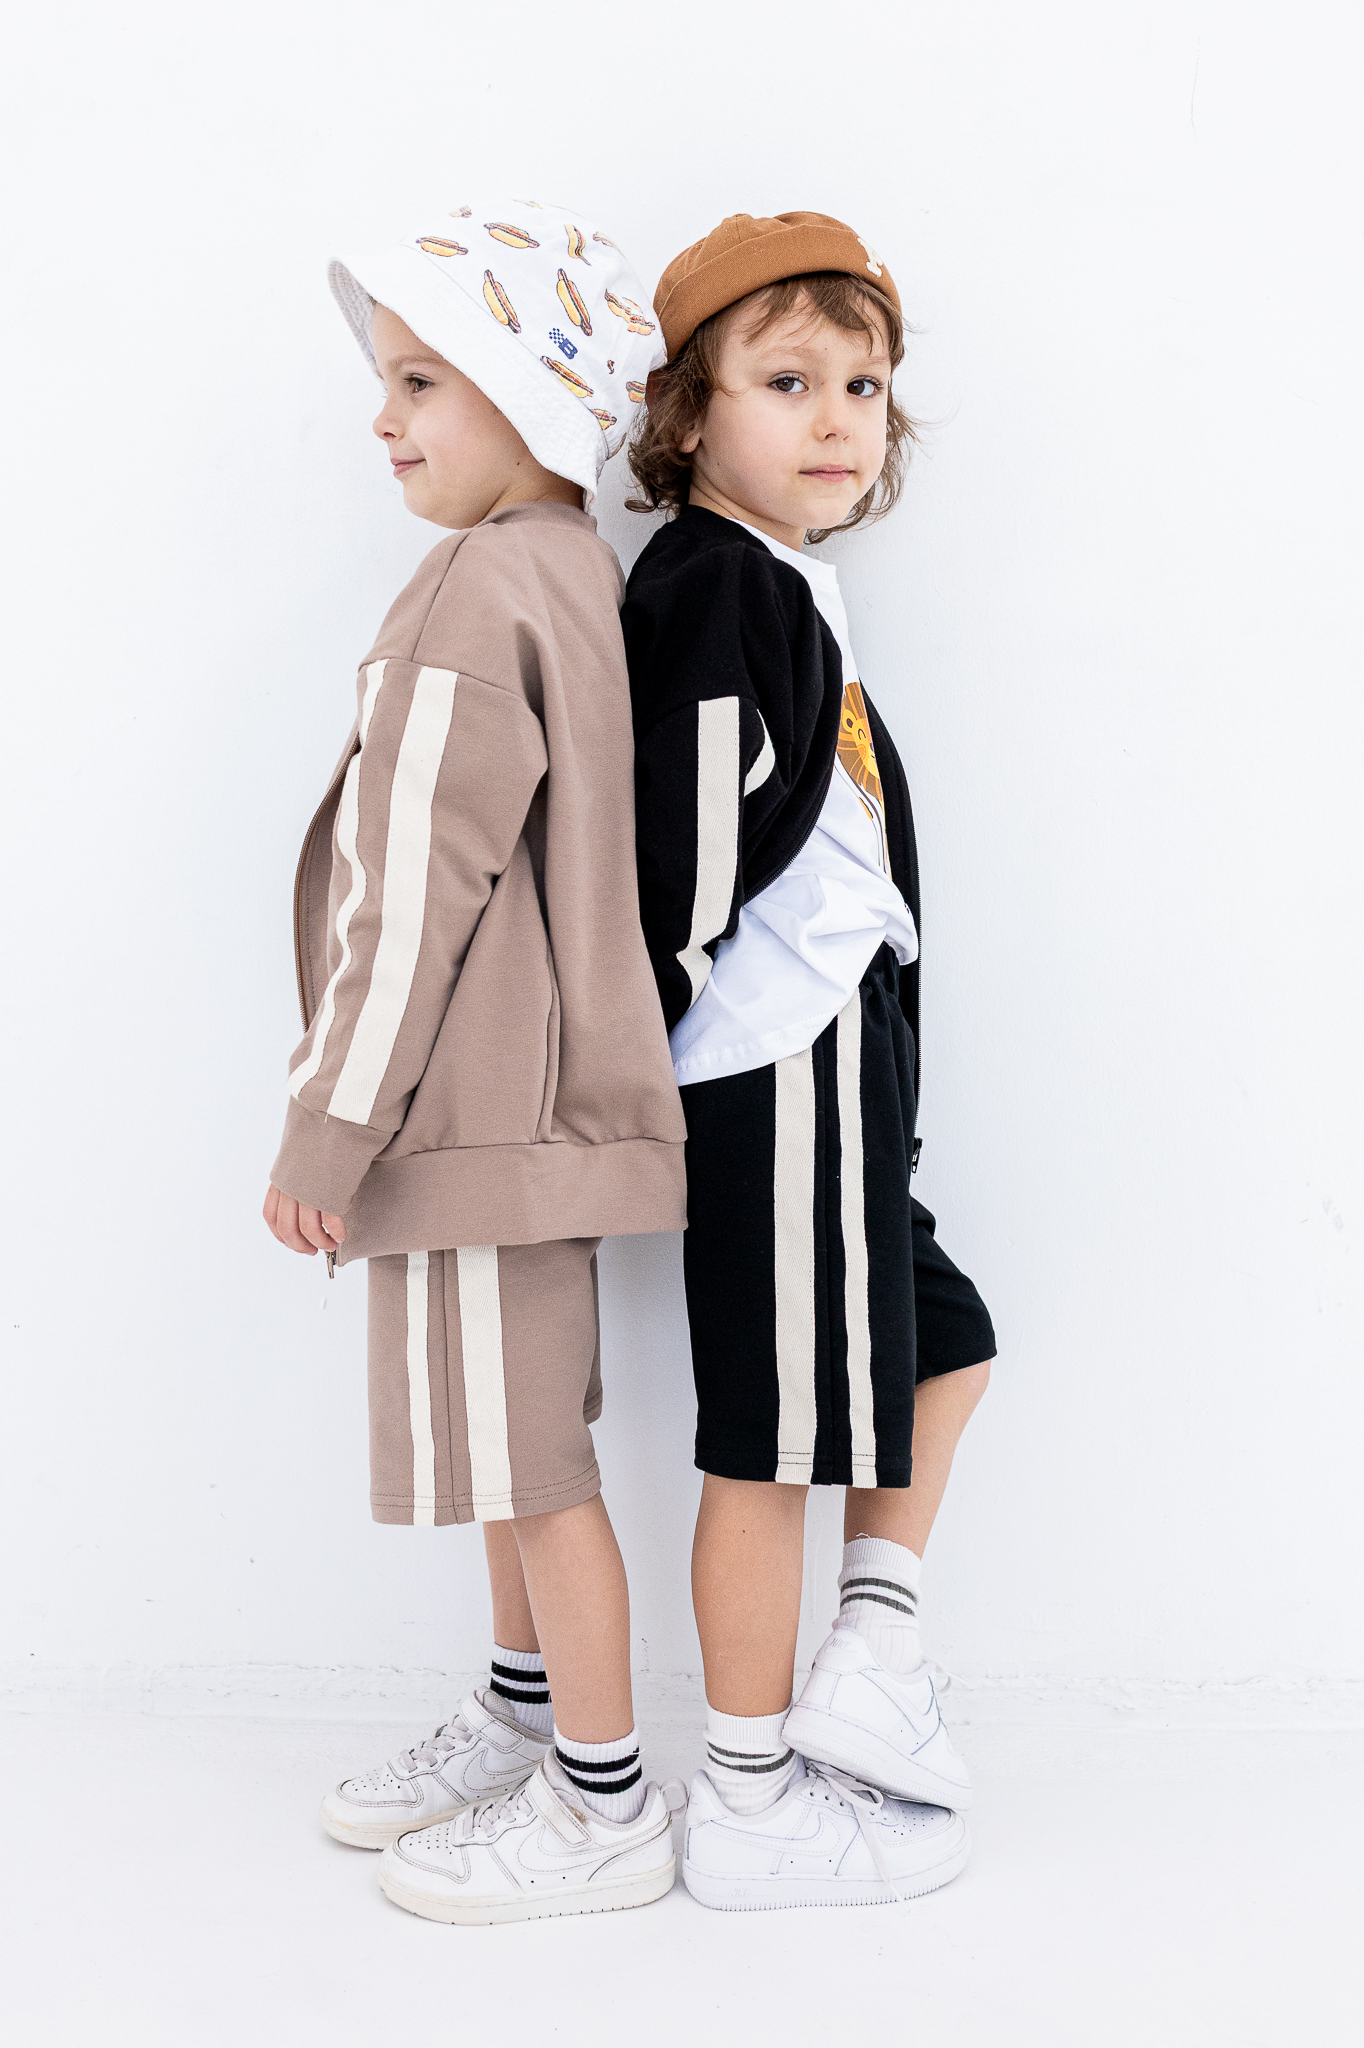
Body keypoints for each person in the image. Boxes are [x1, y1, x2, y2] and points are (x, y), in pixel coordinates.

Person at [262, 196, 689, 1926]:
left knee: (534, 1474)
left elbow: (409, 893)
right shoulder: (572, 571)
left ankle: (603, 1804)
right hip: (541, 1107)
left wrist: (328, 1126)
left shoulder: (467, 594)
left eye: (421, 381)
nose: (383, 420)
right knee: (520, 1451)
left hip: (469, 1116)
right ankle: (525, 1719)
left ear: (529, 391)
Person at [623, 211, 998, 1909]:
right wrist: (639, 1056)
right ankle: (750, 1795)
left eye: (861, 385)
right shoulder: (712, 583)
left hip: (843, 1054)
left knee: (944, 1338)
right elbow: (682, 857)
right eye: (785, 382)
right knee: (771, 1441)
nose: (836, 418)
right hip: (776, 1062)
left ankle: (868, 1654)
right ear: (689, 413)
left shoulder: (771, 578)